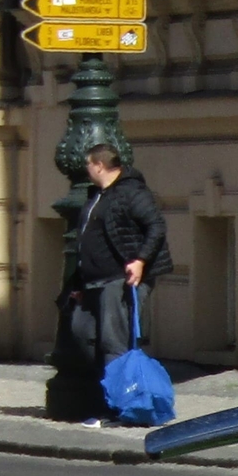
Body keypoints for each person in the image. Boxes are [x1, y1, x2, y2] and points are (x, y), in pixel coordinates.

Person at [70, 143, 170, 373]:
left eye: (88, 164)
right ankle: (100, 393)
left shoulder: (132, 191)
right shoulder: (96, 195)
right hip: (92, 281)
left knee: (113, 341)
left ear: (99, 165)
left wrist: (140, 261)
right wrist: (79, 282)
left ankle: (119, 401)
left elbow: (156, 226)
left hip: (118, 279)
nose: (86, 170)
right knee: (81, 332)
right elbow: (87, 238)